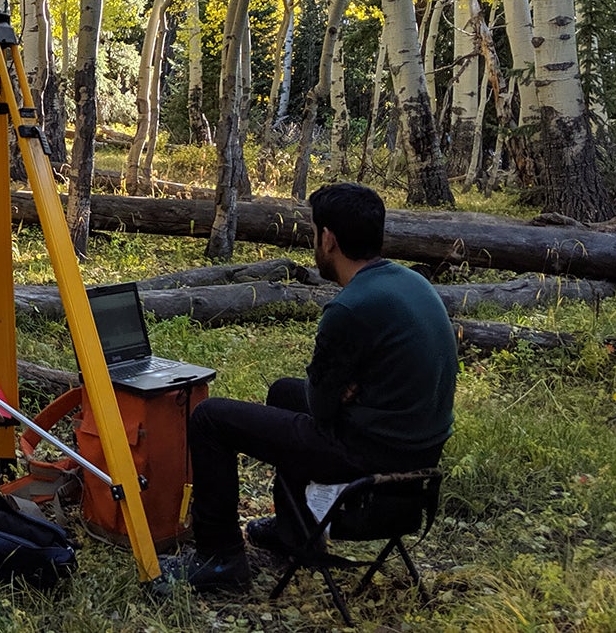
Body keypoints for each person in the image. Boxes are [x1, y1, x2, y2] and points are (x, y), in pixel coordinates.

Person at [160, 182, 457, 591]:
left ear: (329, 238)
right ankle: (293, 532)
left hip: (371, 457)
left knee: (211, 418)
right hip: (417, 451)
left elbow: (320, 410)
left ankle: (221, 559)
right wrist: (346, 390)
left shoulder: (350, 308)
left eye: (314, 233)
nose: (314, 243)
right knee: (284, 391)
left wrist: (341, 393)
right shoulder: (412, 283)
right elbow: (333, 394)